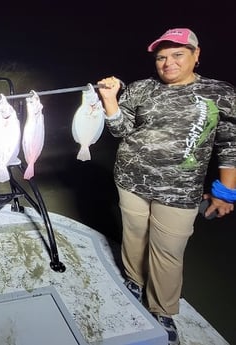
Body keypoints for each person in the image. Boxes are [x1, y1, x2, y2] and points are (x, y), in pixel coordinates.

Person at [97, 28, 236, 345]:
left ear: (196, 55)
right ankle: (133, 279)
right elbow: (121, 130)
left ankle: (161, 308)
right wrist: (109, 101)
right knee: (134, 234)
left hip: (180, 190)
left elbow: (230, 143)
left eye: (177, 55)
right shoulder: (140, 89)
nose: (168, 62)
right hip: (131, 178)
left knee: (168, 251)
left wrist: (226, 191)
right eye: (161, 57)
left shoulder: (220, 93)